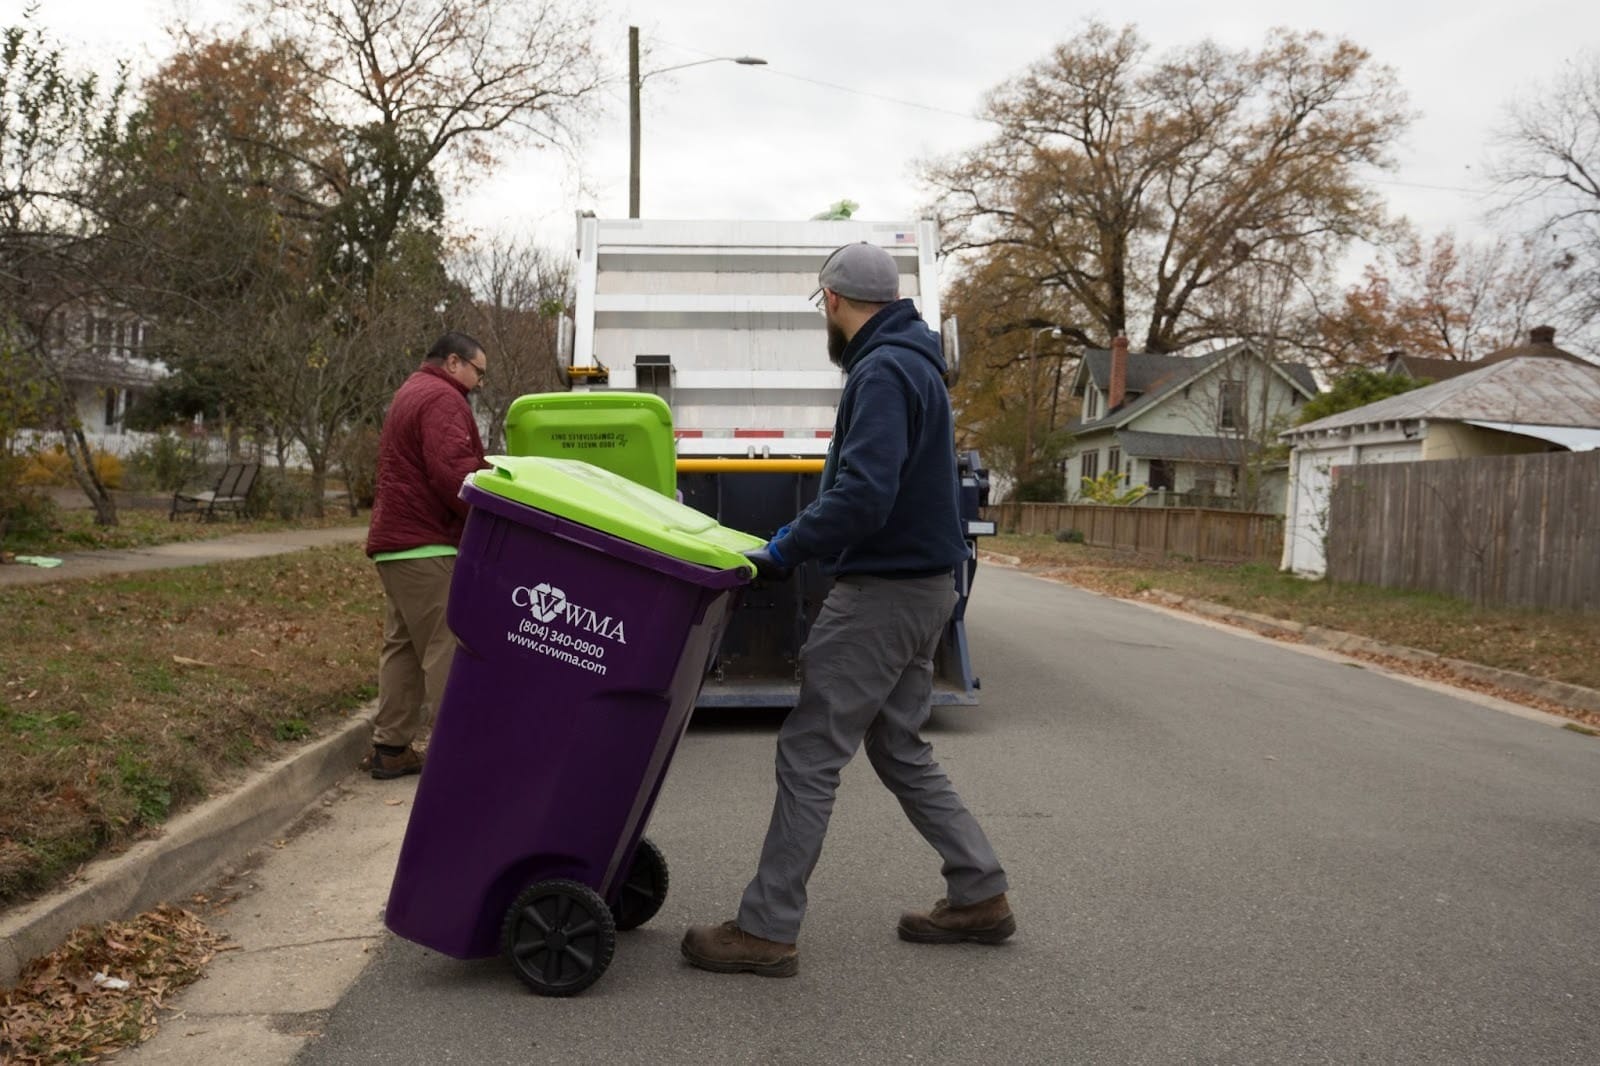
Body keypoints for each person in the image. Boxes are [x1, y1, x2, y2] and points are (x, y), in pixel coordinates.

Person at [681, 243, 1013, 978]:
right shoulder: (916, 362)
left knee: (809, 750)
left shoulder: (884, 370)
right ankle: (980, 890)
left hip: (884, 594)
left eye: (822, 309)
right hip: (928, 588)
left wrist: (780, 550)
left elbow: (864, 494)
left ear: (832, 301)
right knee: (897, 744)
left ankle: (766, 929)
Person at [363, 332, 489, 780]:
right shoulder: (442, 397)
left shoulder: (411, 390)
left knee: (401, 649)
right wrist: (493, 509)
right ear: (454, 362)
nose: (478, 382)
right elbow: (454, 471)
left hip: (396, 545)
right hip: (427, 542)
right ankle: (459, 756)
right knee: (445, 645)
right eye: (478, 371)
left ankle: (391, 748)